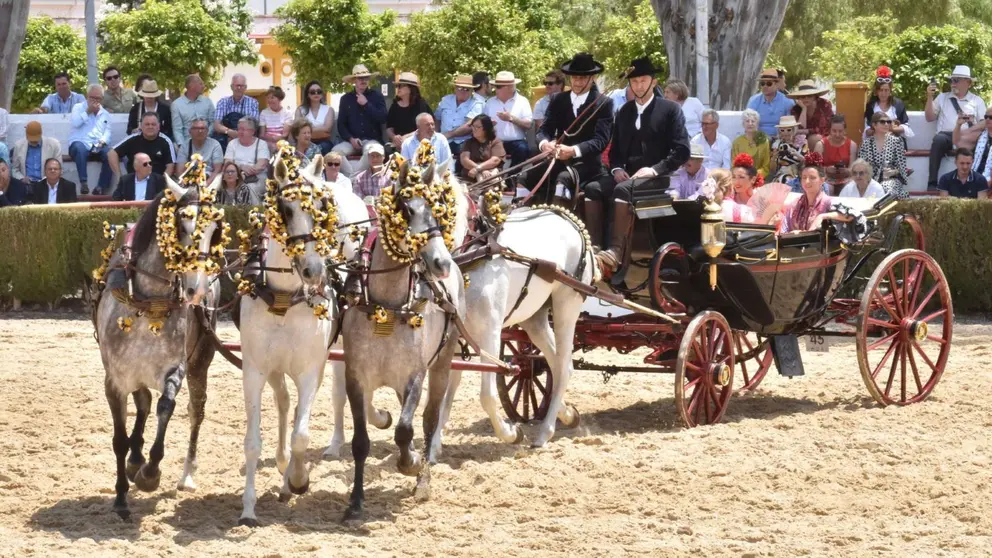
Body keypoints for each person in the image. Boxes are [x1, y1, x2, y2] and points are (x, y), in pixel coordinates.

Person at [593, 57, 689, 276]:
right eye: (634, 82)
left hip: (658, 177)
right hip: (627, 176)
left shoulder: (670, 110)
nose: (638, 86)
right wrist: (617, 168)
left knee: (622, 190)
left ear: (654, 82)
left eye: (643, 81)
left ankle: (615, 252)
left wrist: (654, 169)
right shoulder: (624, 111)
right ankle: (594, 247)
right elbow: (615, 151)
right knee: (593, 189)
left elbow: (682, 150)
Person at [514, 53, 612, 206]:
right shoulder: (558, 99)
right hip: (557, 159)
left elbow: (601, 141)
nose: (578, 82)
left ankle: (559, 217)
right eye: (574, 78)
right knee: (523, 178)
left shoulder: (604, 103)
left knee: (563, 180)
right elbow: (544, 130)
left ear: (592, 78)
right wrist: (545, 144)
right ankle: (521, 213)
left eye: (583, 78)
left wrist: (573, 150)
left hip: (587, 163)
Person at [926, 65, 987, 191]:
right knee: (938, 140)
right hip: (946, 136)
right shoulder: (942, 97)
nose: (953, 84)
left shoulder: (977, 101)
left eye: (956, 80)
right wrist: (930, 97)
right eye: (952, 80)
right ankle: (932, 183)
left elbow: (984, 123)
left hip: (968, 137)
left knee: (981, 143)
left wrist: (967, 132)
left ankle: (976, 183)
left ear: (968, 83)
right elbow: (929, 117)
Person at [333, 64, 387, 177]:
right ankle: (353, 177)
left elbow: (383, 118)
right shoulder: (345, 99)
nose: (363, 80)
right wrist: (351, 139)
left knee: (372, 152)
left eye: (366, 77)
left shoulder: (377, 96)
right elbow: (341, 124)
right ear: (354, 80)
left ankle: (353, 179)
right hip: (351, 142)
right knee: (335, 152)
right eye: (360, 78)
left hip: (371, 140)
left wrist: (366, 104)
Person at [67, 84, 114, 195]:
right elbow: (76, 123)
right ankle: (84, 183)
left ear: (102, 99)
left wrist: (103, 141)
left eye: (98, 98)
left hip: (97, 146)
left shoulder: (105, 114)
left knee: (111, 154)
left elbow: (108, 132)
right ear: (87, 96)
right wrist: (88, 111)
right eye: (92, 97)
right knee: (80, 148)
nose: (95, 101)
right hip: (79, 143)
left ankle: (101, 187)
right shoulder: (78, 107)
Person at [484, 71, 533, 173]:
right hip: (494, 141)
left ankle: (511, 178)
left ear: (509, 87)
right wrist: (489, 124)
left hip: (515, 142)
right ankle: (493, 178)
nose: (494, 89)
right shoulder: (490, 102)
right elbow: (483, 123)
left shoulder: (522, 101)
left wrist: (511, 118)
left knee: (522, 149)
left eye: (498, 87)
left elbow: (528, 124)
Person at [435, 74, 485, 165]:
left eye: (467, 89)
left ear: (472, 90)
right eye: (460, 88)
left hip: (464, 142)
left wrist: (448, 135)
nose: (463, 91)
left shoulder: (477, 104)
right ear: (455, 88)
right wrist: (436, 136)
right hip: (443, 141)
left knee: (462, 162)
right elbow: (437, 119)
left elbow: (469, 126)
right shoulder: (445, 100)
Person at [782, 152, 836, 233]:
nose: (807, 181)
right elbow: (784, 230)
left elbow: (851, 215)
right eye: (804, 177)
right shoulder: (794, 204)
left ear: (822, 180)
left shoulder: (828, 202)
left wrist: (822, 216)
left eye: (812, 178)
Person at [858, 112, 908, 198]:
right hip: (870, 179)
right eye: (882, 122)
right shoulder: (866, 144)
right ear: (874, 125)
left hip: (891, 179)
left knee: (886, 187)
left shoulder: (896, 141)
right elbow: (861, 166)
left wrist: (893, 172)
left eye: (888, 122)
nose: (886, 124)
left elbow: (901, 166)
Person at [109, 112, 176, 176]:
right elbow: (112, 153)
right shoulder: (133, 139)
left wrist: (163, 181)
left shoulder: (166, 141)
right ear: (141, 126)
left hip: (157, 180)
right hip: (134, 180)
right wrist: (119, 177)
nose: (150, 127)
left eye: (153, 124)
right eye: (147, 124)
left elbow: (170, 165)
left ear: (158, 126)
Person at [386, 72, 433, 153]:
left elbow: (425, 127)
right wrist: (394, 137)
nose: (398, 88)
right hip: (397, 145)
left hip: (418, 144)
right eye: (397, 86)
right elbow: (389, 128)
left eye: (401, 86)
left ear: (411, 88)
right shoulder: (394, 106)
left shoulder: (421, 105)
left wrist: (406, 137)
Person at [864, 66, 912, 142]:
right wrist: (878, 130)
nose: (883, 93)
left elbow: (905, 126)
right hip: (876, 141)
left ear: (890, 91)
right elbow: (867, 129)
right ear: (876, 91)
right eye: (881, 90)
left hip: (895, 141)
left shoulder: (898, 104)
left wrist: (892, 129)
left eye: (886, 90)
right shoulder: (871, 106)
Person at [213, 73, 259, 151]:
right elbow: (217, 125)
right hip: (225, 140)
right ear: (231, 87)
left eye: (241, 86)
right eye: (236, 85)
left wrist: (239, 135)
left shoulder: (253, 103)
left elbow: (254, 125)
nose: (239, 88)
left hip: (246, 139)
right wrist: (229, 132)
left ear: (245, 87)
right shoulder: (222, 102)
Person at [746, 68, 795, 137]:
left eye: (769, 84)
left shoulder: (788, 101)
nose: (765, 86)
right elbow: (748, 123)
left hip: (781, 137)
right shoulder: (753, 100)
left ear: (777, 84)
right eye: (762, 84)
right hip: (758, 138)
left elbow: (791, 126)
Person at [223, 116, 269, 191]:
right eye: (239, 129)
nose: (240, 132)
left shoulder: (261, 144)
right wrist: (241, 167)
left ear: (252, 131)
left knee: (248, 189)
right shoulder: (232, 143)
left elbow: (261, 165)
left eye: (243, 129)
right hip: (236, 176)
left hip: (257, 177)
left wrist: (244, 173)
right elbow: (227, 163)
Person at [788, 79, 833, 151]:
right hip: (802, 139)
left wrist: (806, 131)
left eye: (809, 96)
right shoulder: (795, 109)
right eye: (803, 96)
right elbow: (799, 129)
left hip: (824, 137)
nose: (806, 98)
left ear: (815, 96)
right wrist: (804, 109)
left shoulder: (824, 104)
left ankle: (813, 158)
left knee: (814, 138)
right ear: (798, 98)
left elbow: (825, 128)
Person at [171, 74, 216, 147]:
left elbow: (213, 122)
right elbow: (177, 129)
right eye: (201, 84)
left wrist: (205, 136)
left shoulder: (207, 101)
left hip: (208, 142)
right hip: (187, 144)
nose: (203, 86)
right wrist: (183, 147)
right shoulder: (176, 105)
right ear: (192, 86)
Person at [460, 114, 506, 183]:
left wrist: (478, 168)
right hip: (471, 175)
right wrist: (480, 169)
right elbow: (465, 160)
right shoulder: (468, 142)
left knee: (489, 179)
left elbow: (495, 160)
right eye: (473, 126)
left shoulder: (496, 141)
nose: (474, 129)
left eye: (477, 127)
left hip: (490, 173)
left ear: (486, 128)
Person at [816, 115, 858, 191]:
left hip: (845, 178)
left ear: (844, 131)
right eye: (834, 131)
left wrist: (845, 171)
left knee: (848, 187)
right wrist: (827, 169)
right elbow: (816, 168)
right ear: (830, 130)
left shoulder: (852, 145)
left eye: (840, 131)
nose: (837, 134)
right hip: (826, 177)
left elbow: (852, 170)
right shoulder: (820, 145)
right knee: (828, 187)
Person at [296, 80, 335, 155]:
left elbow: (327, 128)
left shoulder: (329, 109)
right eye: (312, 92)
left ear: (322, 94)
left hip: (324, 143)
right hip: (305, 142)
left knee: (323, 147)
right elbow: (297, 129)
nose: (316, 93)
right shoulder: (300, 110)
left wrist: (306, 131)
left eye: (319, 91)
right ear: (308, 94)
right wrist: (321, 131)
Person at [769, 115, 806, 186]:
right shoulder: (776, 144)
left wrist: (797, 155)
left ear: (794, 130)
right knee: (784, 179)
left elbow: (807, 162)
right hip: (781, 175)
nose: (785, 133)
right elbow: (772, 170)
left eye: (788, 130)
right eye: (782, 130)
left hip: (798, 174)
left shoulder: (802, 142)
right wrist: (773, 158)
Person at [732, 109, 771, 177]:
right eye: (747, 121)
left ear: (757, 124)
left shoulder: (764, 141)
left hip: (758, 176)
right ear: (743, 124)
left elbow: (766, 166)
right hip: (741, 177)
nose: (750, 124)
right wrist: (743, 175)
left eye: (753, 121)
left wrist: (754, 175)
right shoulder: (737, 142)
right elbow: (734, 164)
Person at [259, 86, 293, 152]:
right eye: (268, 98)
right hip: (267, 144)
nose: (269, 100)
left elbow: (285, 135)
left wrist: (275, 141)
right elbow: (262, 134)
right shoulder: (264, 113)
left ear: (279, 99)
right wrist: (270, 142)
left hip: (282, 143)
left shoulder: (287, 113)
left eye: (272, 98)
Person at [968, 108, 992, 182]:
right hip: (975, 176)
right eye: (986, 117)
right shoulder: (980, 135)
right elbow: (958, 141)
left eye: (991, 117)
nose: (988, 119)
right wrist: (958, 125)